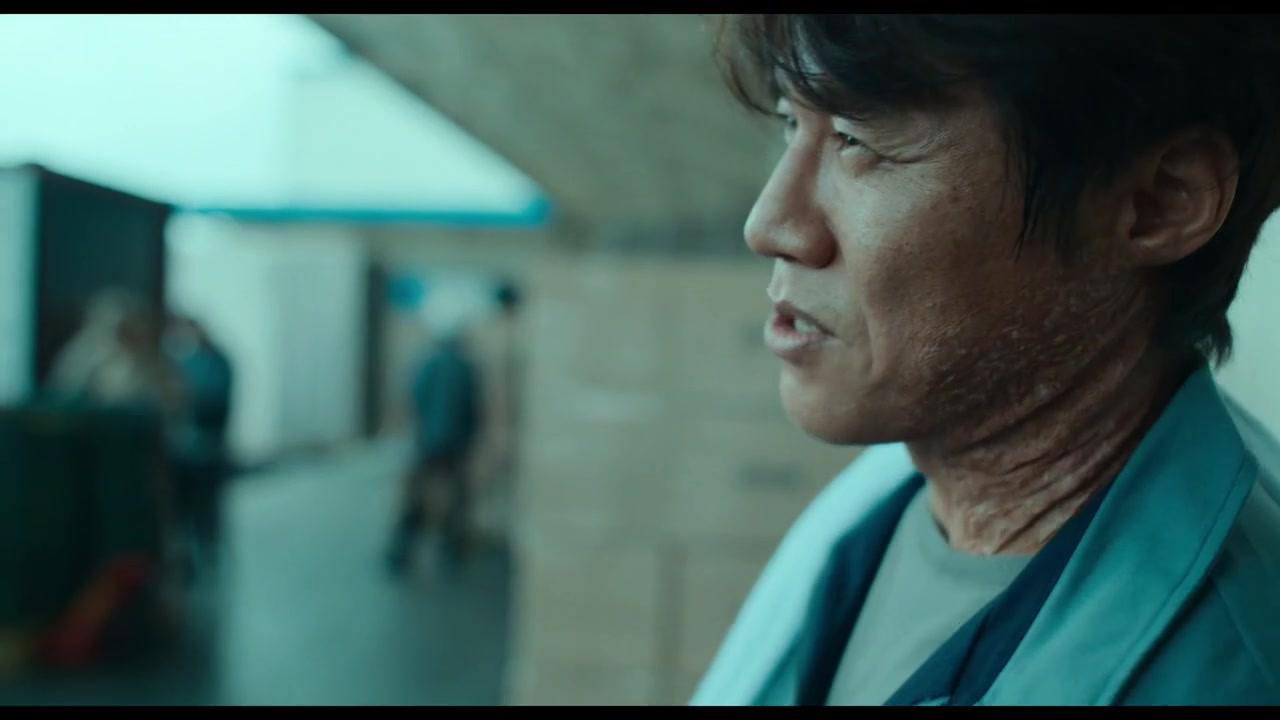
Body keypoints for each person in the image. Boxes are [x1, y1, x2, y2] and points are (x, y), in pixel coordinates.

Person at [692, 15, 1280, 706]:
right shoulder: (886, 502)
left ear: (1159, 202)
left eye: (858, 140)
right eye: (792, 123)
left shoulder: (1227, 670)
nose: (770, 225)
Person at [385, 318, 484, 577]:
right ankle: (452, 550)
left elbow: (414, 398)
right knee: (457, 497)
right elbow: (474, 409)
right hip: (455, 442)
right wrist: (469, 438)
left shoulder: (427, 364)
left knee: (417, 496)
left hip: (427, 440)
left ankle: (401, 551)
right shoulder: (466, 367)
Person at [163, 315, 235, 572]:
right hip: (182, 448)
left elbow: (212, 399)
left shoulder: (217, 362)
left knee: (207, 504)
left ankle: (208, 549)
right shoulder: (183, 362)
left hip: (208, 443)